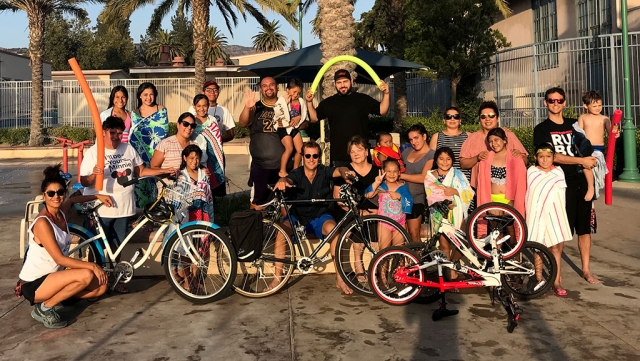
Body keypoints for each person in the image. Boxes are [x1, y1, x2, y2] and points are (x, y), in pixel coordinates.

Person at [80, 116, 176, 293]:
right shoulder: (94, 152)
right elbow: (84, 182)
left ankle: (115, 280)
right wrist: (94, 175)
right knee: (97, 249)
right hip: (100, 210)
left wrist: (163, 171)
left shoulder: (128, 149)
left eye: (119, 133)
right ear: (103, 133)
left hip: (123, 208)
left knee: (117, 247)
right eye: (112, 133)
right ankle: (93, 283)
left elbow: (141, 171)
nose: (116, 136)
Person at [17, 165, 112, 328]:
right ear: (44, 196)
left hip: (54, 278)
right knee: (87, 275)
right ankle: (45, 308)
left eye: (60, 192)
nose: (56, 196)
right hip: (34, 284)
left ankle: (59, 298)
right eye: (51, 193)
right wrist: (93, 266)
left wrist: (97, 195)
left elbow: (73, 200)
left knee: (101, 287)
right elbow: (59, 258)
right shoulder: (42, 223)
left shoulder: (60, 212)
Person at [533, 87, 599, 284]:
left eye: (559, 100)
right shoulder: (541, 129)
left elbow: (589, 143)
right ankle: (556, 274)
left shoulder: (574, 124)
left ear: (565, 102)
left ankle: (586, 270)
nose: (556, 104)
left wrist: (611, 134)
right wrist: (580, 161)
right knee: (559, 230)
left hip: (581, 182)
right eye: (552, 100)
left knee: (584, 229)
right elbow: (553, 156)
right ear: (545, 103)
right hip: (559, 184)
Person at [273, 141, 356, 294]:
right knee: (280, 233)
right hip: (297, 217)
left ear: (319, 157)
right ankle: (277, 278)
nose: (312, 159)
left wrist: (345, 172)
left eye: (315, 156)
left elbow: (338, 170)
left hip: (320, 217)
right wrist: (283, 181)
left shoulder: (324, 171)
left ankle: (340, 278)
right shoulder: (296, 173)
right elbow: (288, 180)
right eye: (308, 155)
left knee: (334, 231)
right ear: (303, 157)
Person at [305, 69, 390, 166]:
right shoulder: (329, 102)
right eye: (339, 82)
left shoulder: (362, 99)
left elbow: (382, 111)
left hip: (361, 154)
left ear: (352, 82)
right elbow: (314, 118)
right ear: (334, 84)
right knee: (339, 181)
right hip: (338, 156)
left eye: (345, 81)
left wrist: (386, 94)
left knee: (363, 181)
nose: (342, 85)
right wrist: (309, 102)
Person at [525, 143, 573, 296]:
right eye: (541, 157)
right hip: (536, 214)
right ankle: (539, 280)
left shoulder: (558, 172)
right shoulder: (531, 172)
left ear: (553, 157)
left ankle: (556, 281)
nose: (545, 160)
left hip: (555, 213)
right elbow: (532, 195)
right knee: (537, 247)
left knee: (555, 248)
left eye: (548, 157)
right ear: (535, 158)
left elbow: (560, 196)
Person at [424, 147, 474, 277]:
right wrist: (447, 201)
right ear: (436, 160)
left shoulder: (458, 174)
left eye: (448, 159)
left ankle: (452, 264)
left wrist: (455, 192)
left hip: (458, 212)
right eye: (441, 159)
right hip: (439, 214)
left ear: (452, 160)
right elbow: (431, 194)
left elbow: (469, 192)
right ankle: (447, 276)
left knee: (463, 242)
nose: (444, 162)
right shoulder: (430, 176)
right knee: (444, 246)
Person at [459, 101, 528, 190]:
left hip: (509, 189)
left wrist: (519, 156)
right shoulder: (473, 138)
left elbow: (525, 161)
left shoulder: (508, 135)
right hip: (481, 189)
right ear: (479, 120)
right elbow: (463, 163)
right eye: (483, 116)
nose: (487, 119)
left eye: (491, 116)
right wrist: (477, 158)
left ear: (497, 118)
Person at [238, 76, 285, 209]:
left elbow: (302, 124)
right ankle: (258, 230)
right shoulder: (256, 107)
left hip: (283, 167)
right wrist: (247, 108)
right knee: (258, 207)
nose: (268, 88)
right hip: (260, 167)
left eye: (271, 85)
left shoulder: (284, 106)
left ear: (277, 87)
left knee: (285, 206)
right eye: (264, 86)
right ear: (260, 89)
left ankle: (282, 230)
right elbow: (243, 122)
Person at [130, 82, 169, 208]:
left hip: (158, 156)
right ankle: (144, 220)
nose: (148, 97)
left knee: (159, 186)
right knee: (141, 187)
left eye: (151, 94)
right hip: (139, 157)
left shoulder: (161, 110)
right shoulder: (133, 114)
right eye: (145, 94)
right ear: (140, 96)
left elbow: (164, 132)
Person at [476, 128, 527, 216]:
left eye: (496, 140)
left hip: (510, 201)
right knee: (494, 228)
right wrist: (489, 203)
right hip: (491, 200)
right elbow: (482, 183)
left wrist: (513, 201)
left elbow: (520, 182)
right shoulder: (486, 158)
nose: (494, 144)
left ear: (504, 140)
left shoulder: (515, 157)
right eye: (490, 141)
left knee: (511, 228)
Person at [577, 90, 617, 200]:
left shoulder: (604, 118)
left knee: (595, 167)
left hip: (598, 148)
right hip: (585, 146)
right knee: (585, 164)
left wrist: (615, 133)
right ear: (586, 106)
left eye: (600, 105)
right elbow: (579, 133)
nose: (598, 108)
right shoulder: (583, 117)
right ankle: (590, 187)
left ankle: (593, 187)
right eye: (594, 106)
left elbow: (611, 134)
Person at [364, 159, 413, 249]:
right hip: (384, 223)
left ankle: (398, 263)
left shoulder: (402, 186)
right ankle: (384, 263)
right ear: (383, 172)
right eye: (389, 171)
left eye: (395, 171)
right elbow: (368, 194)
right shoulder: (381, 187)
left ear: (399, 173)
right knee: (384, 251)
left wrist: (399, 196)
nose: (392, 174)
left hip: (400, 223)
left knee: (399, 252)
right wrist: (376, 182)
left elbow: (409, 200)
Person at [399, 124, 434, 241]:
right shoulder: (406, 152)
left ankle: (417, 259)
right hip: (399, 197)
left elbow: (423, 177)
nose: (413, 142)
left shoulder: (432, 155)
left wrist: (401, 175)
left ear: (424, 136)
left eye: (416, 138)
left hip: (416, 199)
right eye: (411, 139)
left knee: (414, 234)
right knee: (402, 235)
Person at [332, 135, 380, 215]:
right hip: (351, 217)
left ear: (366, 152)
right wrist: (358, 213)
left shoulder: (378, 171)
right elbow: (337, 198)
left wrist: (380, 212)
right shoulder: (345, 171)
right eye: (352, 152)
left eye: (359, 150)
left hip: (376, 217)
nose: (356, 154)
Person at [191, 94, 225, 193]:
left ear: (208, 105)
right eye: (198, 106)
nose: (202, 108)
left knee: (212, 189)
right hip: (196, 160)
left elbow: (217, 142)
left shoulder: (213, 121)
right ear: (194, 106)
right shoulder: (191, 122)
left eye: (204, 105)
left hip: (213, 160)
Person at [274, 78, 307, 177]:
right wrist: (287, 103)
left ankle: (295, 169)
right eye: (294, 92)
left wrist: (299, 117)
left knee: (301, 150)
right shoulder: (282, 100)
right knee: (289, 148)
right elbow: (278, 113)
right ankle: (282, 170)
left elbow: (304, 114)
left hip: (294, 128)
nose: (296, 95)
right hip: (284, 128)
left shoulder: (301, 101)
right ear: (288, 90)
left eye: (298, 93)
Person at [429, 107, 470, 181]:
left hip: (465, 182)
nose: (452, 119)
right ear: (444, 120)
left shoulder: (469, 136)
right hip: (443, 181)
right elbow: (431, 161)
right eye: (448, 117)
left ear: (460, 120)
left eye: (456, 116)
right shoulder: (436, 137)